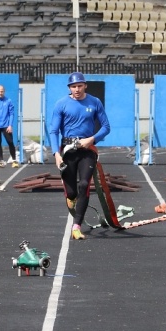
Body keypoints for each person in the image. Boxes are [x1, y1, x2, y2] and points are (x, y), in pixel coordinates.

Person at [49, 72, 111, 240]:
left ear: (85, 86)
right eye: (73, 86)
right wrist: (56, 154)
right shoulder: (61, 104)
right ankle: (71, 197)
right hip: (67, 150)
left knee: (84, 184)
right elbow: (54, 131)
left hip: (87, 150)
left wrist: (91, 139)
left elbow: (106, 127)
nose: (77, 89)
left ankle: (77, 226)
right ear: (69, 88)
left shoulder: (95, 102)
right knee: (71, 192)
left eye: (79, 86)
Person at [0, 84, 18, 167]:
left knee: (10, 142)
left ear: (4, 91)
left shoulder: (8, 101)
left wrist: (10, 125)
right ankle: (1, 160)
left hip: (6, 126)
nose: (0, 93)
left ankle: (14, 160)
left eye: (1, 91)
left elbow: (11, 114)